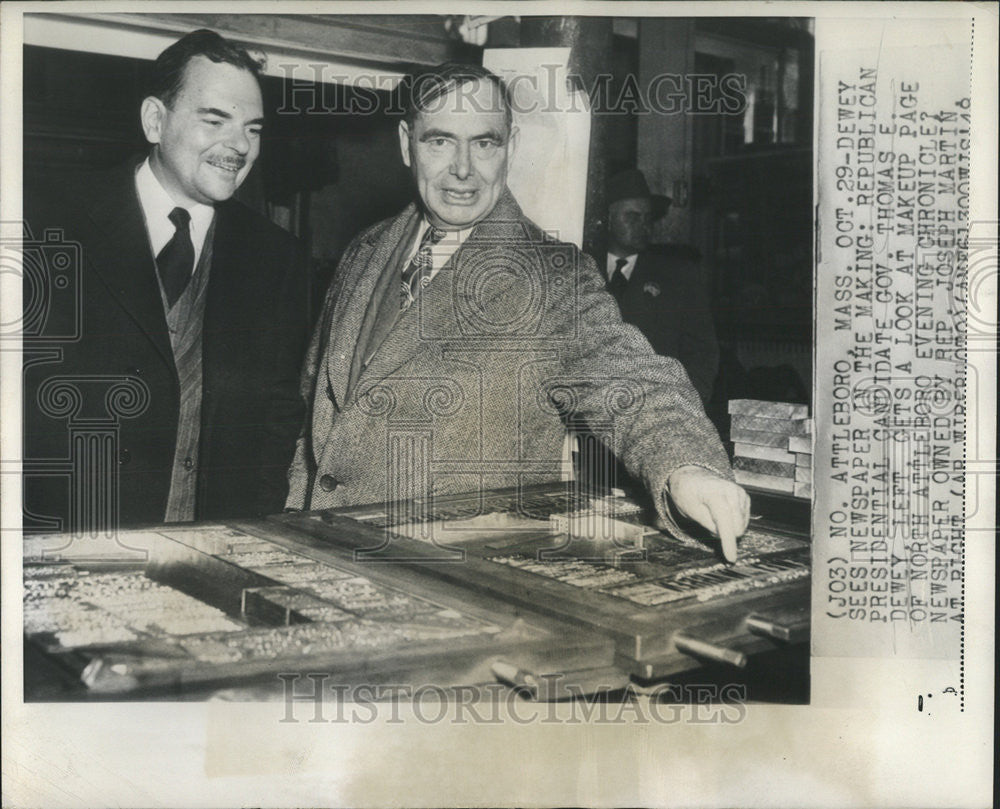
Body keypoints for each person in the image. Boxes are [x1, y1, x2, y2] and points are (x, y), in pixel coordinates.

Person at [286, 63, 748, 561]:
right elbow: (313, 407)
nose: (463, 168)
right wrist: (293, 523)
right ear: (406, 143)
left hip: (454, 578)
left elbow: (632, 382)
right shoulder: (365, 249)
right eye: (439, 141)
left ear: (512, 145)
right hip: (323, 547)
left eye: (485, 143)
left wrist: (687, 468)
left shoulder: (553, 276)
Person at [23, 30, 309, 530]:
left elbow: (276, 421)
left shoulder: (276, 257)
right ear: (155, 120)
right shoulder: (43, 226)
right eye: (215, 119)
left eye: (254, 129)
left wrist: (251, 533)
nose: (239, 146)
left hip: (211, 557)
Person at [601, 168, 719, 406]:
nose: (643, 226)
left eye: (647, 218)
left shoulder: (678, 277)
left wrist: (683, 407)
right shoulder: (583, 270)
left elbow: (702, 353)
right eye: (632, 217)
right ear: (608, 218)